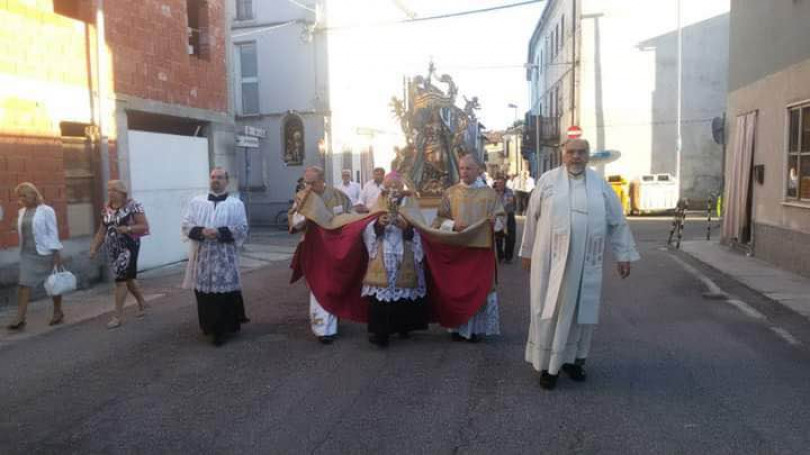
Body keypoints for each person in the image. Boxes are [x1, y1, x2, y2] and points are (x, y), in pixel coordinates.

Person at [519, 139, 640, 390]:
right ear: (563, 154)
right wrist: (527, 251)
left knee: (577, 313)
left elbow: (617, 221)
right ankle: (546, 365)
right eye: (571, 152)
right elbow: (532, 218)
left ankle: (573, 360)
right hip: (549, 261)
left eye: (581, 152)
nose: (576, 156)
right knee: (548, 308)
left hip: (584, 263)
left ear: (588, 156)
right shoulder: (548, 181)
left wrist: (623, 255)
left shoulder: (600, 186)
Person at [432, 155, 505, 342]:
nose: (464, 172)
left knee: (478, 289)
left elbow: (501, 220)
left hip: (481, 250)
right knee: (458, 289)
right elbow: (439, 220)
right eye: (462, 168)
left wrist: (494, 222)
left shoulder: (489, 194)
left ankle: (474, 330)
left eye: (468, 168)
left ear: (478, 169)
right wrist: (453, 225)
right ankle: (456, 327)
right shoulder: (450, 193)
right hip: (458, 249)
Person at [181, 167, 249, 346]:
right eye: (212, 177)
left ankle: (223, 330)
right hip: (203, 256)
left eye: (219, 177)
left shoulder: (236, 204)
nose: (215, 180)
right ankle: (208, 326)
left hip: (224, 257)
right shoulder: (197, 202)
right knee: (204, 293)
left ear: (226, 181)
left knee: (225, 293)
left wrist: (219, 232)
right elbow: (186, 225)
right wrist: (202, 231)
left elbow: (242, 228)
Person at [361, 173, 428, 347]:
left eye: (395, 186)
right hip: (383, 253)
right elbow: (368, 227)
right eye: (388, 186)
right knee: (381, 294)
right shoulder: (379, 202)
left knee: (403, 291)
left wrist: (407, 228)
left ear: (401, 187)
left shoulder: (410, 204)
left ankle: (402, 327)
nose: (392, 189)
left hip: (404, 251)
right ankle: (381, 333)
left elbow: (421, 229)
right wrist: (378, 225)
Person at [289, 165, 353, 344]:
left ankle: (334, 317)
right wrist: (303, 215)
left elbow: (350, 216)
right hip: (313, 248)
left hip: (336, 247)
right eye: (305, 182)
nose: (308, 186)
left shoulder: (339, 196)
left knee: (333, 284)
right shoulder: (303, 197)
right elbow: (295, 223)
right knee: (319, 285)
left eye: (312, 182)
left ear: (322, 180)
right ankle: (323, 329)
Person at [89, 180, 150, 329]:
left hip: (129, 247)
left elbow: (144, 226)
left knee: (120, 281)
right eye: (109, 189)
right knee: (127, 279)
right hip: (113, 249)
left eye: (114, 190)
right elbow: (102, 230)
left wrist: (128, 228)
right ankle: (143, 303)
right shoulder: (108, 208)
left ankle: (117, 316)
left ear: (122, 192)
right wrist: (94, 247)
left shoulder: (133, 206)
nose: (110, 192)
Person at [7, 183, 64, 330]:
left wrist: (56, 254)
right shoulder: (22, 212)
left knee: (53, 283)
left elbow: (53, 233)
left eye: (24, 195)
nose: (21, 199)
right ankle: (20, 318)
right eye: (20, 196)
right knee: (23, 284)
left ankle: (58, 312)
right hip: (27, 254)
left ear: (33, 195)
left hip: (45, 253)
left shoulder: (46, 211)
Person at [494, 176, 517, 264]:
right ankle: (500, 256)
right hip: (498, 216)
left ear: (504, 184)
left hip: (509, 215)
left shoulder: (509, 191)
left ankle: (508, 256)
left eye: (502, 183)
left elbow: (509, 202)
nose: (500, 185)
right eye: (498, 183)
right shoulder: (493, 192)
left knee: (511, 237)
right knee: (498, 237)